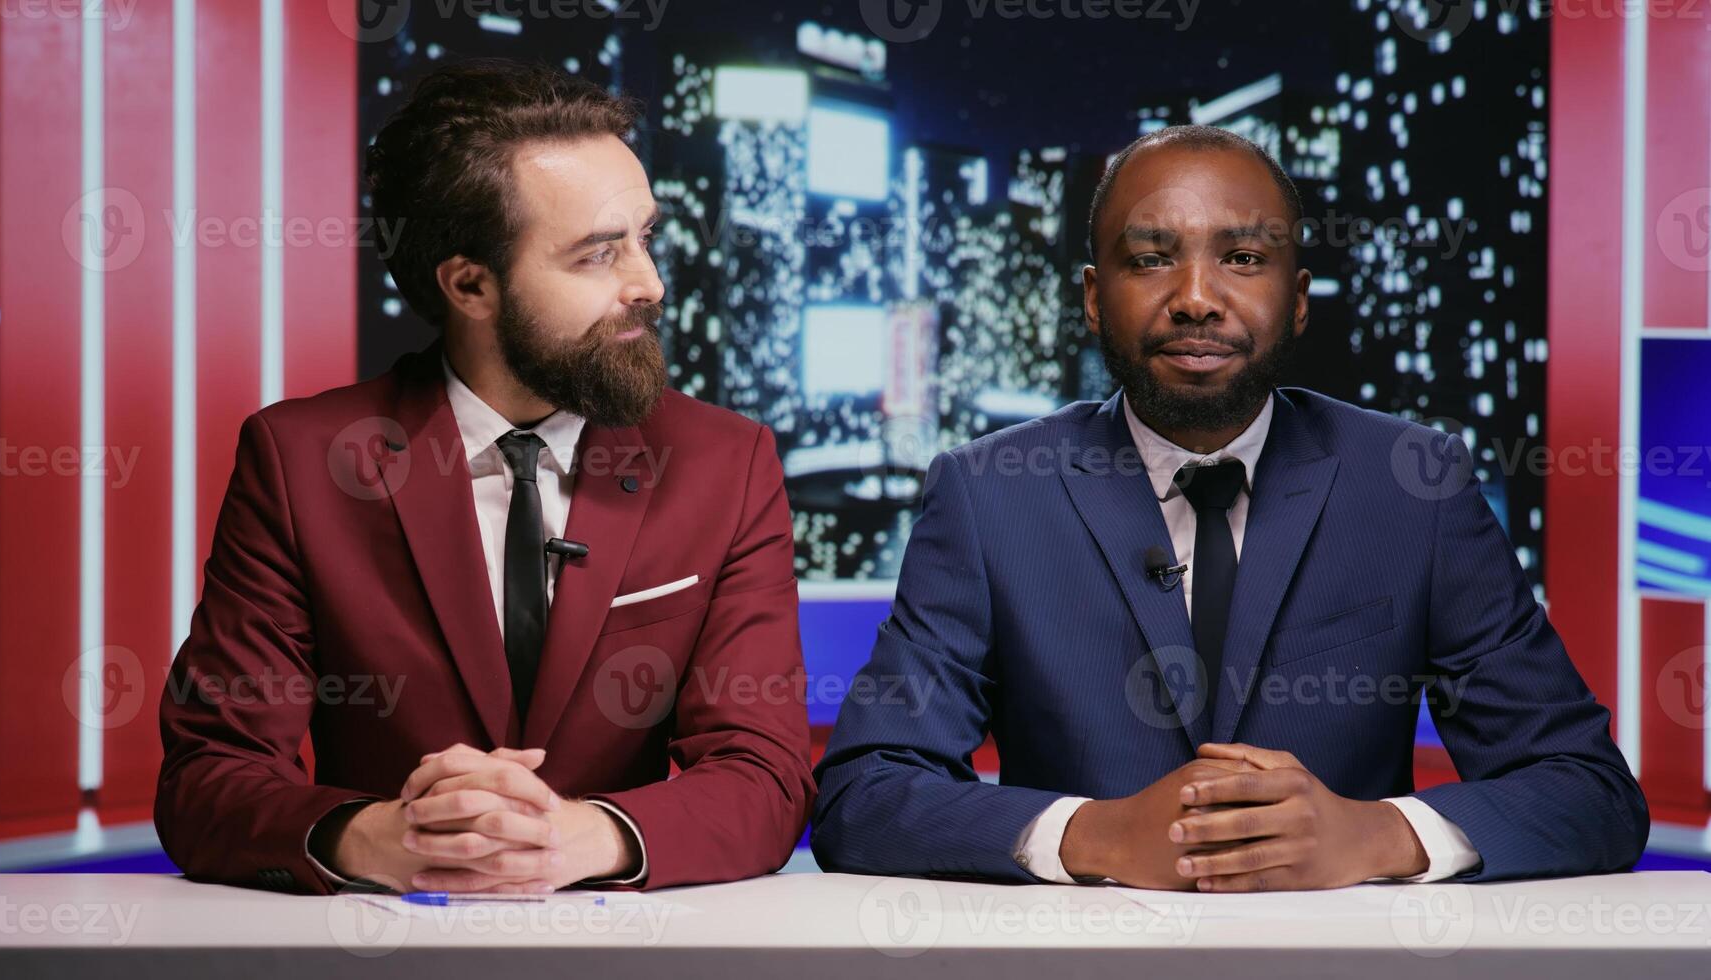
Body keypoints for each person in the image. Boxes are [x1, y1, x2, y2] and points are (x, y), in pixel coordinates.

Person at [811, 125, 1647, 891]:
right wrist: (1092, 836)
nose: (1197, 298)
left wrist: (1375, 836)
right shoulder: (990, 493)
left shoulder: (1413, 485)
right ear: (1095, 297)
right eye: (1151, 260)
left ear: (1301, 297)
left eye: (1243, 258)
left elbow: (1590, 791)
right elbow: (864, 794)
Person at [156, 60, 813, 895]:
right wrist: (376, 837)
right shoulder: (302, 462)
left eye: (645, 237)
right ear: (470, 284)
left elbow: (767, 778)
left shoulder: (728, 463)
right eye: (597, 256)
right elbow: (208, 780)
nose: (648, 284)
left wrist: (587, 836)